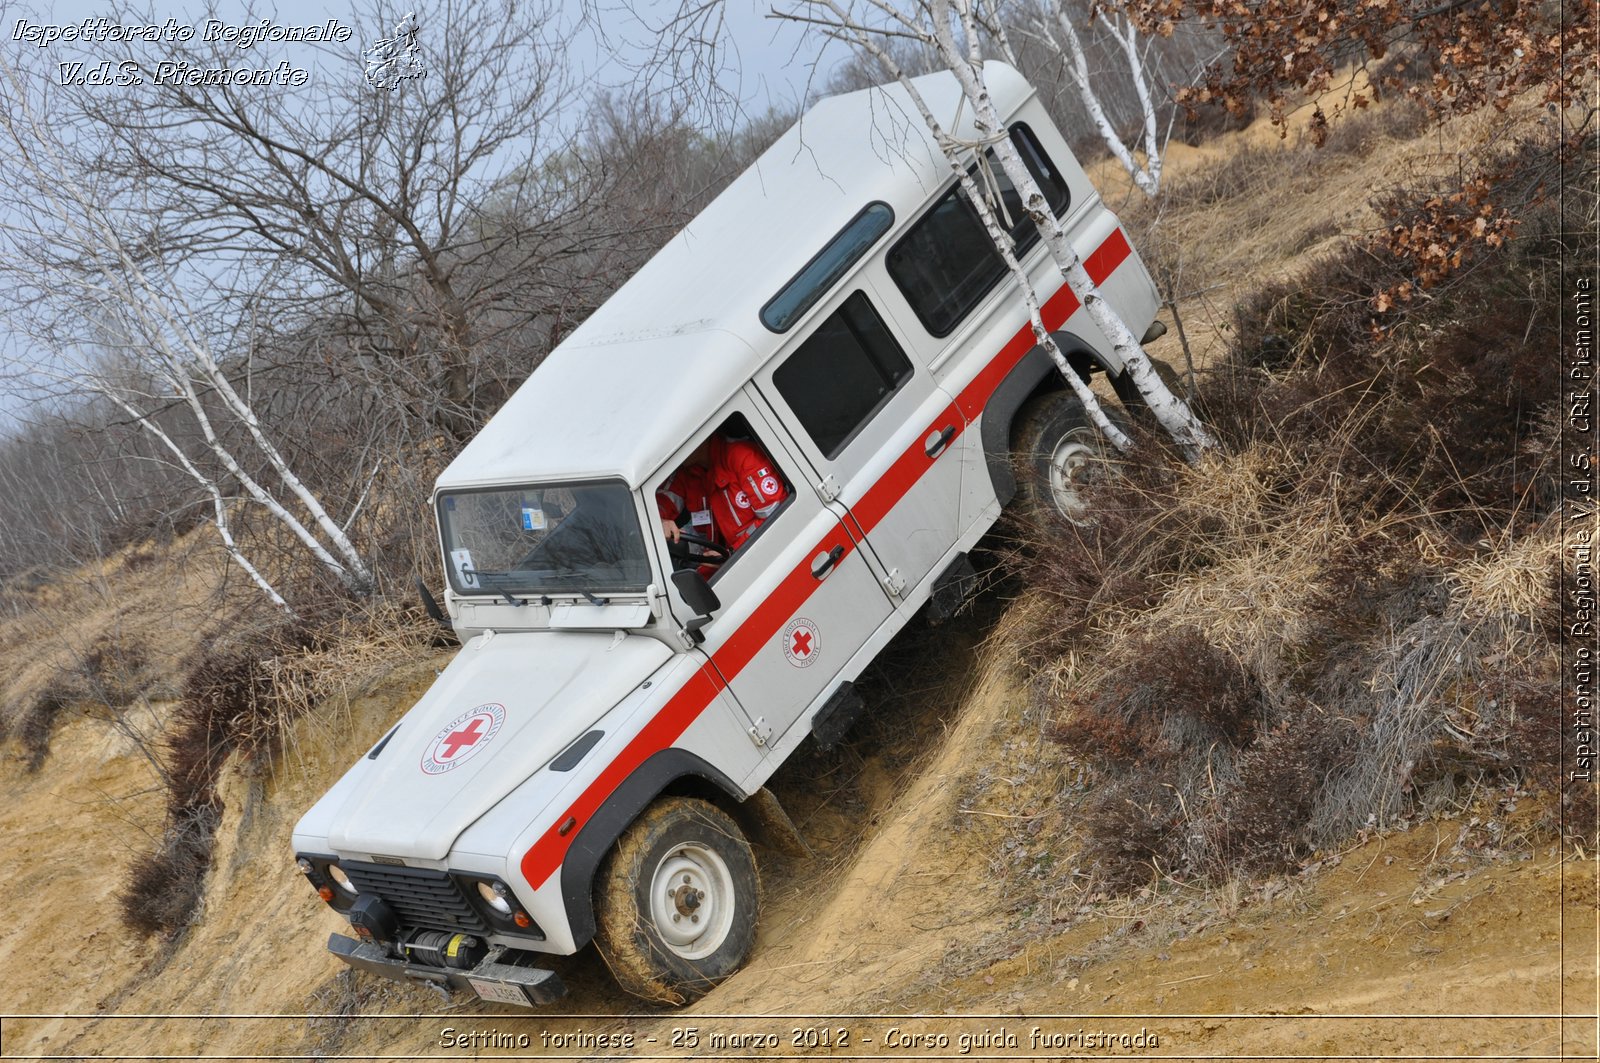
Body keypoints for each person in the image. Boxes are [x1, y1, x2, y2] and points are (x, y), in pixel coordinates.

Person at [657, 432, 788, 565]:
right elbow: (660, 502)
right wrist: (660, 521)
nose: (671, 452)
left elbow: (776, 517)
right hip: (731, 559)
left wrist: (732, 552)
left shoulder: (742, 456)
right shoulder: (688, 474)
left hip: (773, 552)